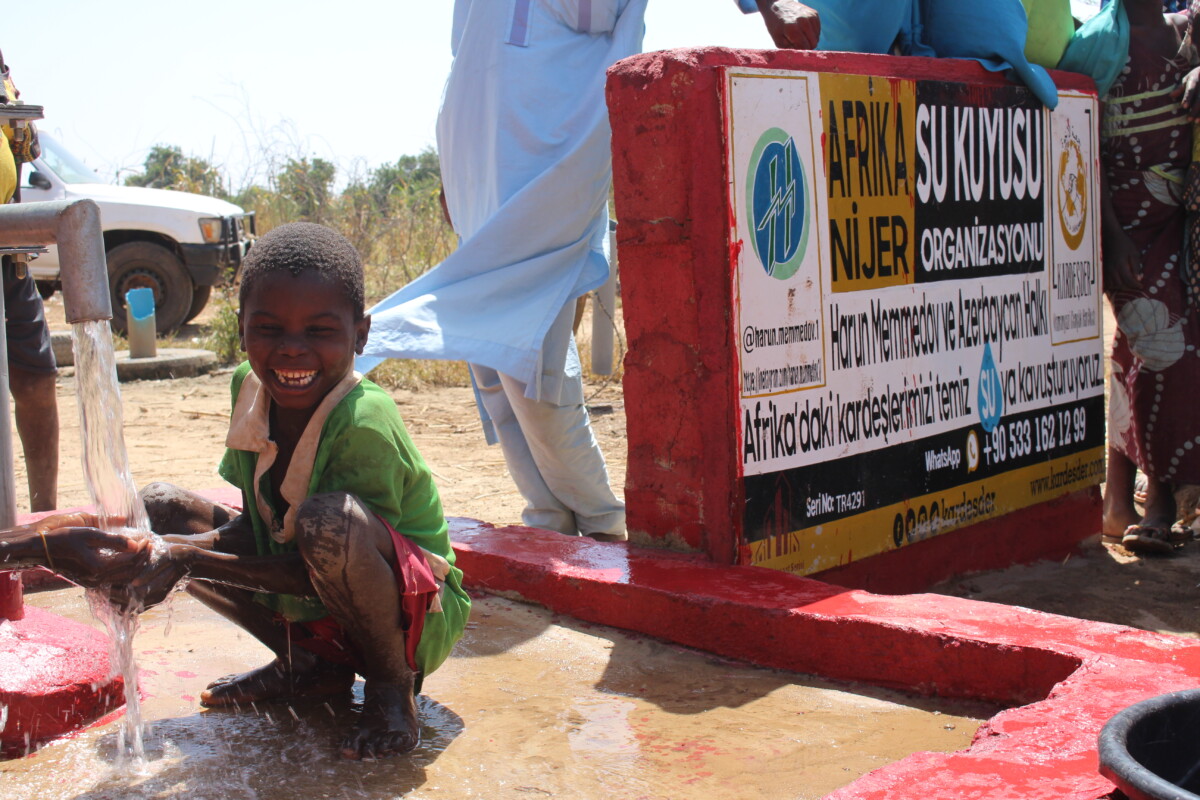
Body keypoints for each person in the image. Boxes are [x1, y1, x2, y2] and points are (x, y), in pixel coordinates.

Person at [358, 0, 820, 543]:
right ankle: (549, 522)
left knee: (531, 364)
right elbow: (469, 50)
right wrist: (450, 158)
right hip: (481, 147)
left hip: (536, 157)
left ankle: (602, 526)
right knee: (493, 362)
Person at [36, 223, 471, 759]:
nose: (292, 351)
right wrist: (166, 549)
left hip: (411, 613)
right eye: (268, 328)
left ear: (360, 334)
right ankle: (306, 665)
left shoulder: (365, 421)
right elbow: (259, 529)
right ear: (240, 328)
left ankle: (389, 691)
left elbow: (327, 556)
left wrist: (185, 562)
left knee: (326, 523)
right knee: (159, 512)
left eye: (319, 330)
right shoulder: (248, 385)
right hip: (326, 576)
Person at [1098, 0, 1200, 553]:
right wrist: (1111, 234)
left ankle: (1120, 497)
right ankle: (1159, 498)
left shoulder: (1189, 31)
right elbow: (1083, 134)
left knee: (1132, 351)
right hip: (1128, 225)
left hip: (1186, 212)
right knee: (1160, 344)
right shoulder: (1096, 40)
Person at [1, 49, 59, 513]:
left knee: (37, 379)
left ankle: (43, 519)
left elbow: (26, 148)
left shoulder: (2, 74)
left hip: (8, 249)